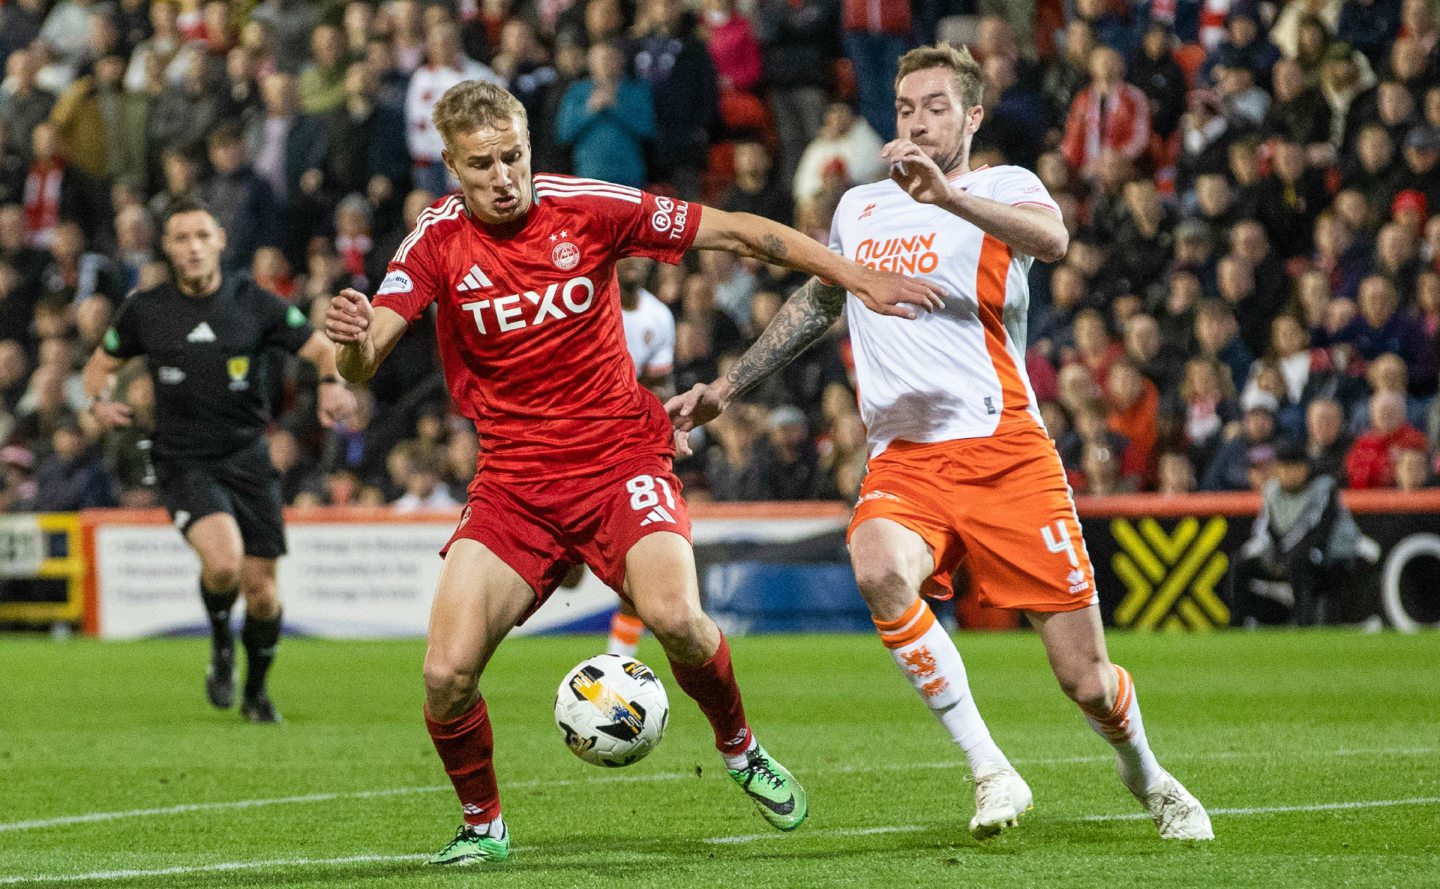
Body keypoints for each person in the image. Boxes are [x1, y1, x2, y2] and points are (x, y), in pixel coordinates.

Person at [323, 79, 942, 866]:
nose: (505, 175)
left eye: (514, 155)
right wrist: (347, 343)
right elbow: (367, 354)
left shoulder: (585, 206)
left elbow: (741, 234)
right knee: (444, 675)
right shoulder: (437, 241)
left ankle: (741, 747)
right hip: (514, 484)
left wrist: (858, 277)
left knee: (679, 619)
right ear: (451, 164)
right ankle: (483, 824)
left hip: (619, 459)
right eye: (483, 164)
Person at [669, 44, 1213, 842]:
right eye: (906, 107)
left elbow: (1053, 240)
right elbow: (821, 302)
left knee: (1086, 679)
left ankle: (1150, 777)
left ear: (971, 117)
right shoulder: (860, 207)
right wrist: (727, 386)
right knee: (879, 565)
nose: (917, 119)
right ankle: (991, 768)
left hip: (1005, 452)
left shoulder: (1003, 187)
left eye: (934, 106)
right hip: (905, 458)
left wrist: (950, 199)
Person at [81, 199, 357, 723]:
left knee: (263, 595)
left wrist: (328, 388)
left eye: (202, 236)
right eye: (182, 238)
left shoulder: (253, 301)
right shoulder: (146, 308)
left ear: (220, 241)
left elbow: (323, 351)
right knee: (225, 562)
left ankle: (254, 691)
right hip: (183, 459)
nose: (193, 248)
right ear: (167, 247)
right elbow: (100, 364)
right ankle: (220, 643)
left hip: (248, 457)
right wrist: (98, 402)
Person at [1230, 439, 1360, 626]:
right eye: (1284, 467)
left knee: (1300, 561)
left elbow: (1316, 532)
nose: (1289, 473)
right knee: (1240, 563)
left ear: (1306, 468)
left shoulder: (1324, 487)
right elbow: (1265, 528)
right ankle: (1242, 623)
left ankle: (1304, 624)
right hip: (1288, 554)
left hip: (1331, 557)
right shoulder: (1272, 490)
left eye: (1295, 467)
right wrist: (1274, 553)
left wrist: (1282, 553)